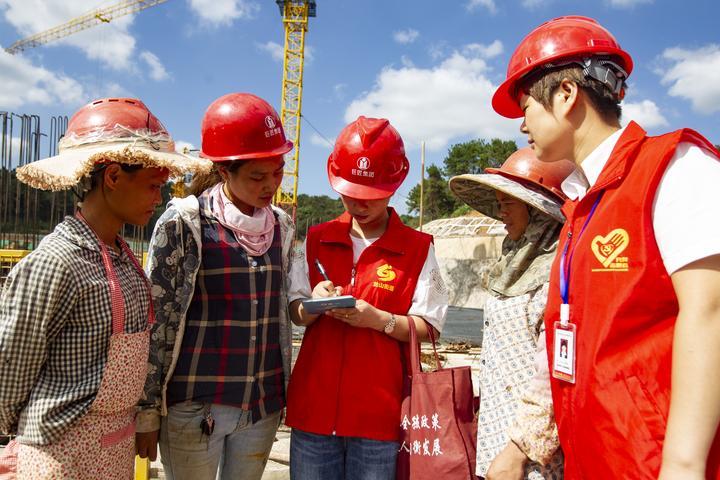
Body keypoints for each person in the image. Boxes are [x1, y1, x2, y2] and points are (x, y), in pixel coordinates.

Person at [492, 15, 720, 480]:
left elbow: (710, 310)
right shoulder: (581, 205)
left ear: (566, 94)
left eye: (526, 108)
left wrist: (683, 465)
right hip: (594, 457)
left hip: (651, 463)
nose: (522, 126)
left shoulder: (674, 168)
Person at [0, 97, 206, 479]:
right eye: (152, 186)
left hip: (115, 447)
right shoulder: (56, 263)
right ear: (112, 177)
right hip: (59, 454)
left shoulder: (126, 262)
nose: (158, 198)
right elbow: (11, 370)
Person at [134, 92, 295, 480]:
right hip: (194, 406)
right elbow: (157, 322)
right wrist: (147, 410)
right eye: (257, 176)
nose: (271, 185)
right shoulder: (185, 224)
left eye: (277, 172)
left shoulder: (282, 227)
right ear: (224, 170)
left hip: (261, 405)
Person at [285, 116, 448, 480]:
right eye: (350, 194)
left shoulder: (417, 248)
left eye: (370, 195)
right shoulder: (317, 239)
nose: (358, 203)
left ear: (394, 185)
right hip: (313, 410)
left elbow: (430, 326)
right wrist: (313, 303)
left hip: (380, 417)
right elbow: (295, 311)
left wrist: (379, 321)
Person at [450, 147, 573, 480]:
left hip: (532, 455)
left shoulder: (561, 277)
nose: (501, 212)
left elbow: (554, 377)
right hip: (499, 433)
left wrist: (518, 451)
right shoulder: (513, 261)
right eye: (499, 203)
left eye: (509, 203)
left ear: (537, 212)